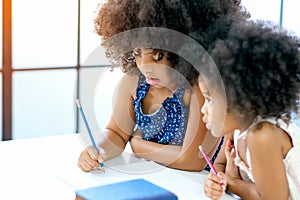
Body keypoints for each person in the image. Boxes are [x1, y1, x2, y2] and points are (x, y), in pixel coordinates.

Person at [77, 0, 250, 172]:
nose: (145, 66)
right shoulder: (133, 83)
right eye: (138, 52)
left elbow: (192, 161)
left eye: (157, 55)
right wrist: (99, 149)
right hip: (158, 178)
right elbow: (116, 134)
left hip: (200, 185)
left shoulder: (199, 90)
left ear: (183, 50)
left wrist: (138, 146)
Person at [199, 20, 300, 199]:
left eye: (210, 100)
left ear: (241, 101)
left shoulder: (263, 135)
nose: (203, 110)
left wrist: (231, 182)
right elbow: (220, 166)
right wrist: (216, 181)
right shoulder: (235, 130)